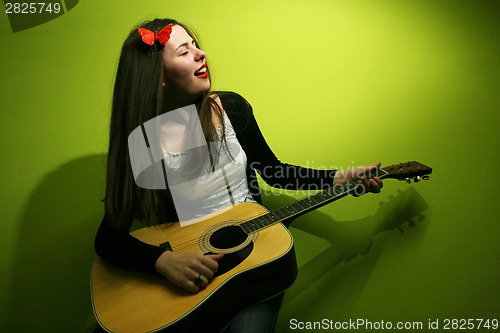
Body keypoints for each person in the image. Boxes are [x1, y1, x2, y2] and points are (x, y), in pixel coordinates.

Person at [94, 18, 383, 333]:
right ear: (158, 77)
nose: (201, 54)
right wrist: (162, 262)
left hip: (254, 264)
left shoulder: (231, 108)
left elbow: (277, 173)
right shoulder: (142, 145)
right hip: (191, 279)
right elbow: (108, 239)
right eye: (184, 51)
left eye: (196, 45)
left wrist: (339, 178)